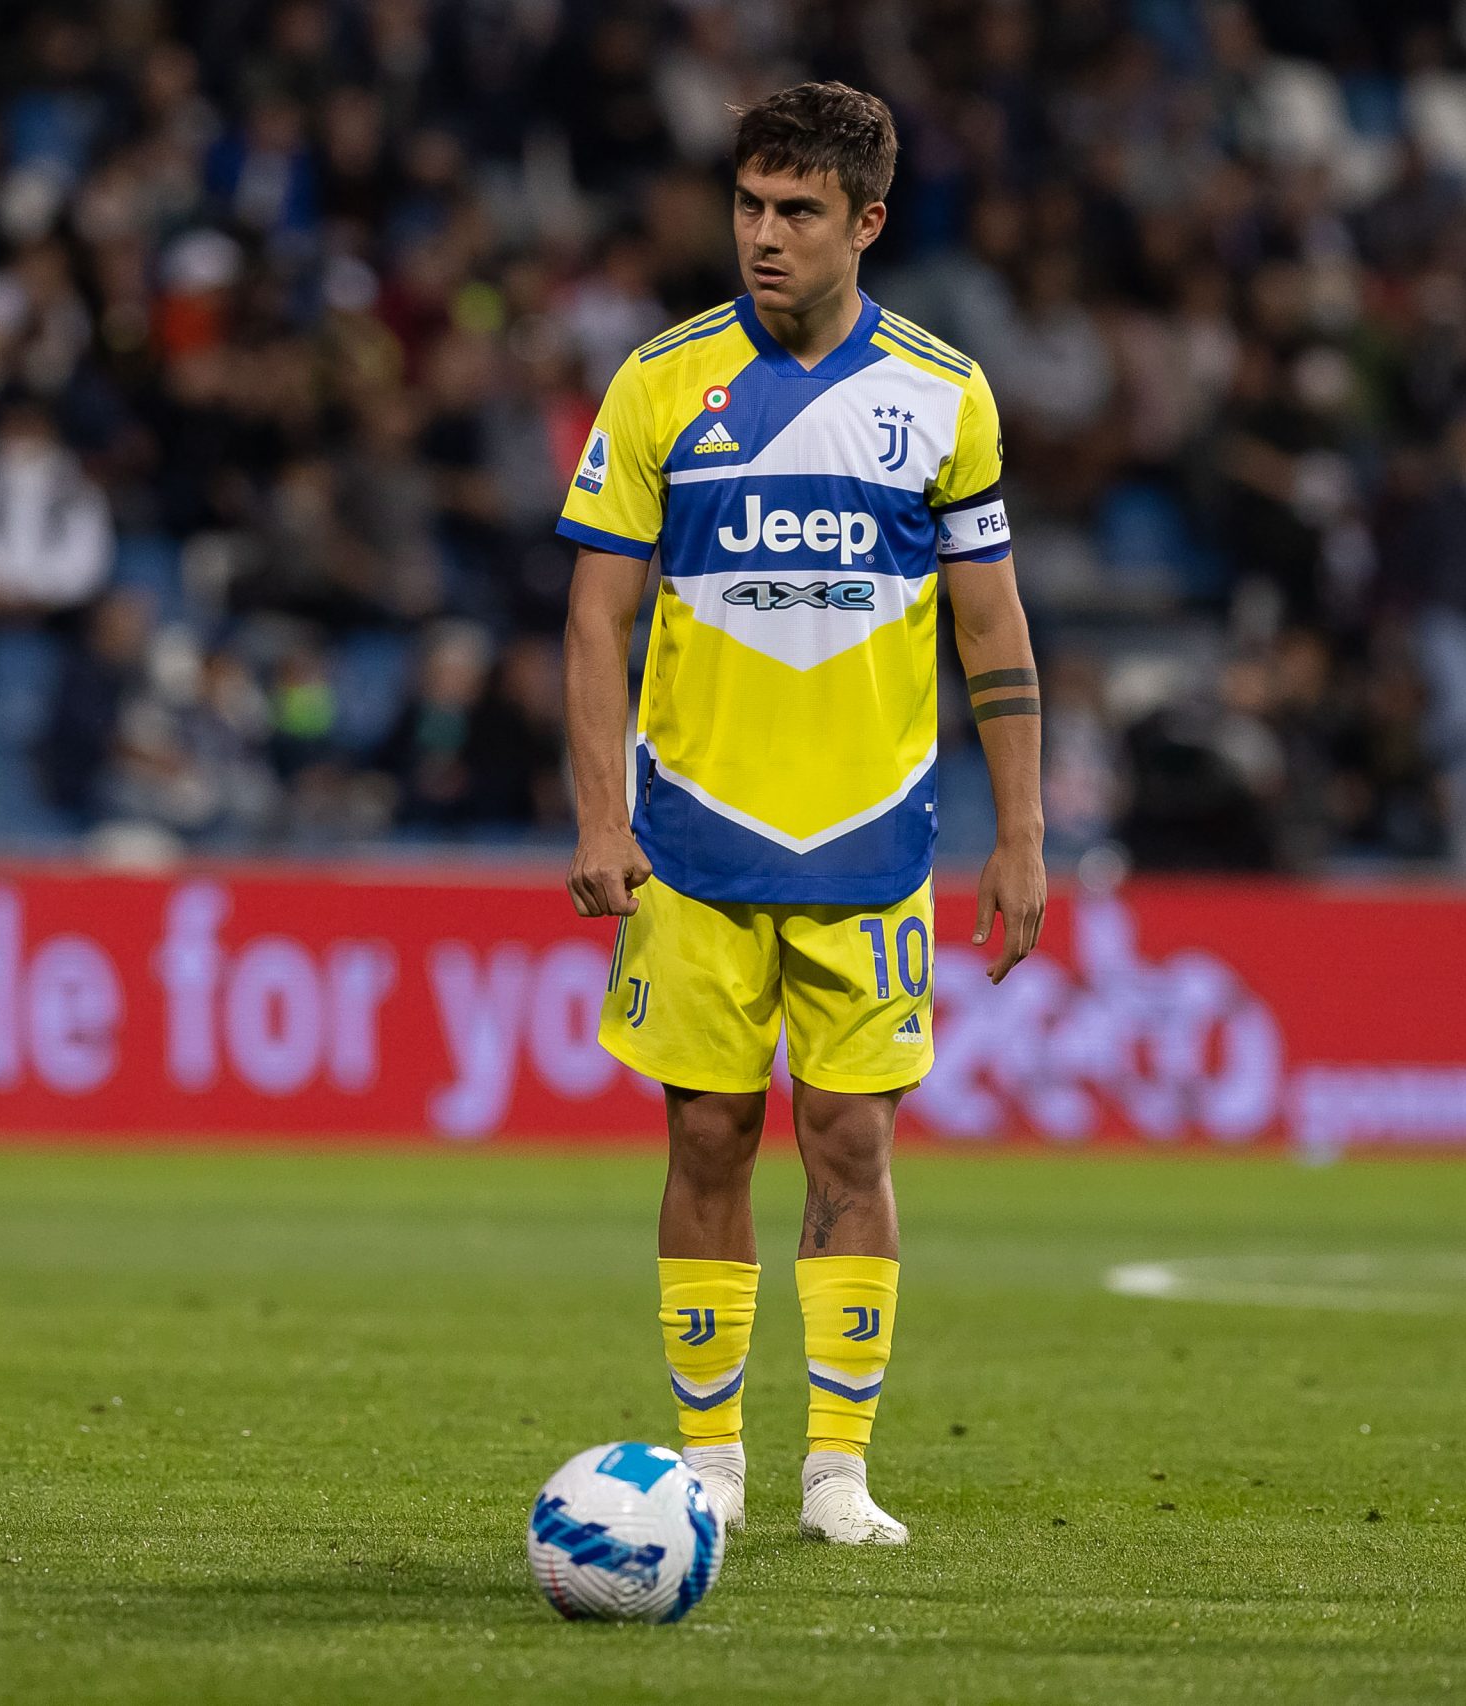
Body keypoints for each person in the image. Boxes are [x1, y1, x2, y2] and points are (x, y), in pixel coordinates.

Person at [558, 83, 1046, 1549]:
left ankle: (838, 1464)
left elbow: (993, 628)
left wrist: (1020, 833)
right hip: (694, 845)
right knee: (706, 1138)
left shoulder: (944, 396)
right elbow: (594, 619)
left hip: (872, 845)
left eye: (798, 214)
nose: (763, 237)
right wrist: (598, 811)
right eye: (748, 207)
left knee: (851, 1145)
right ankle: (708, 1459)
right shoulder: (659, 383)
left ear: (867, 223)